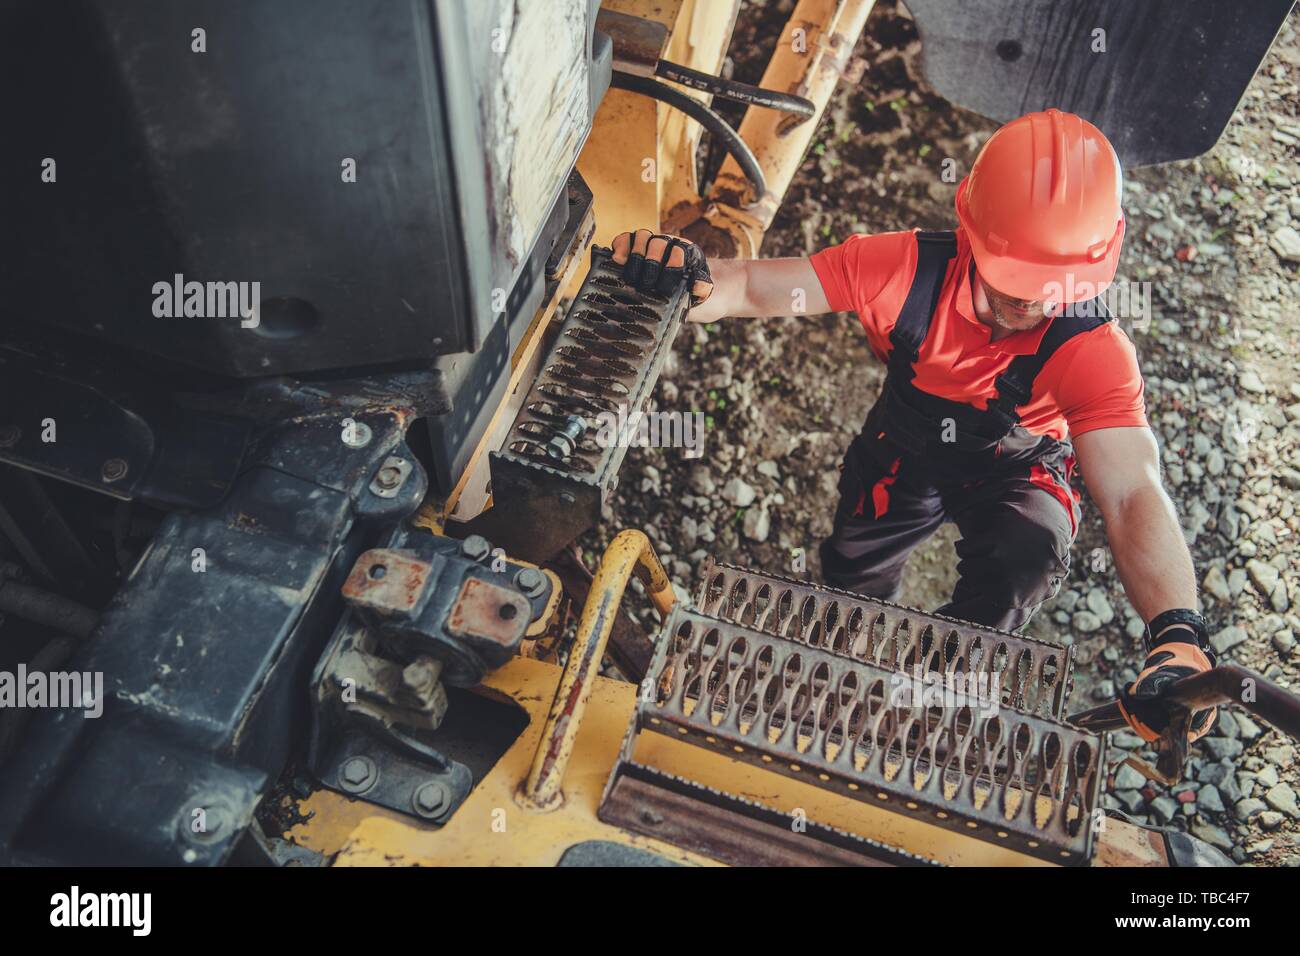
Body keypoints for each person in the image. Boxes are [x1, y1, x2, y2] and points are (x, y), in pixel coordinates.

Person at [610, 108, 1216, 744]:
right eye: (1017, 279)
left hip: (1020, 467)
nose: (1036, 302)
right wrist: (687, 275)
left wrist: (1177, 632)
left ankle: (934, 691)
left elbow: (1130, 492)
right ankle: (847, 646)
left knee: (1023, 560)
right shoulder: (900, 269)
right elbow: (755, 288)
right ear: (972, 230)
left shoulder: (1093, 349)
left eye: (1057, 284)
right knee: (854, 564)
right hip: (907, 443)